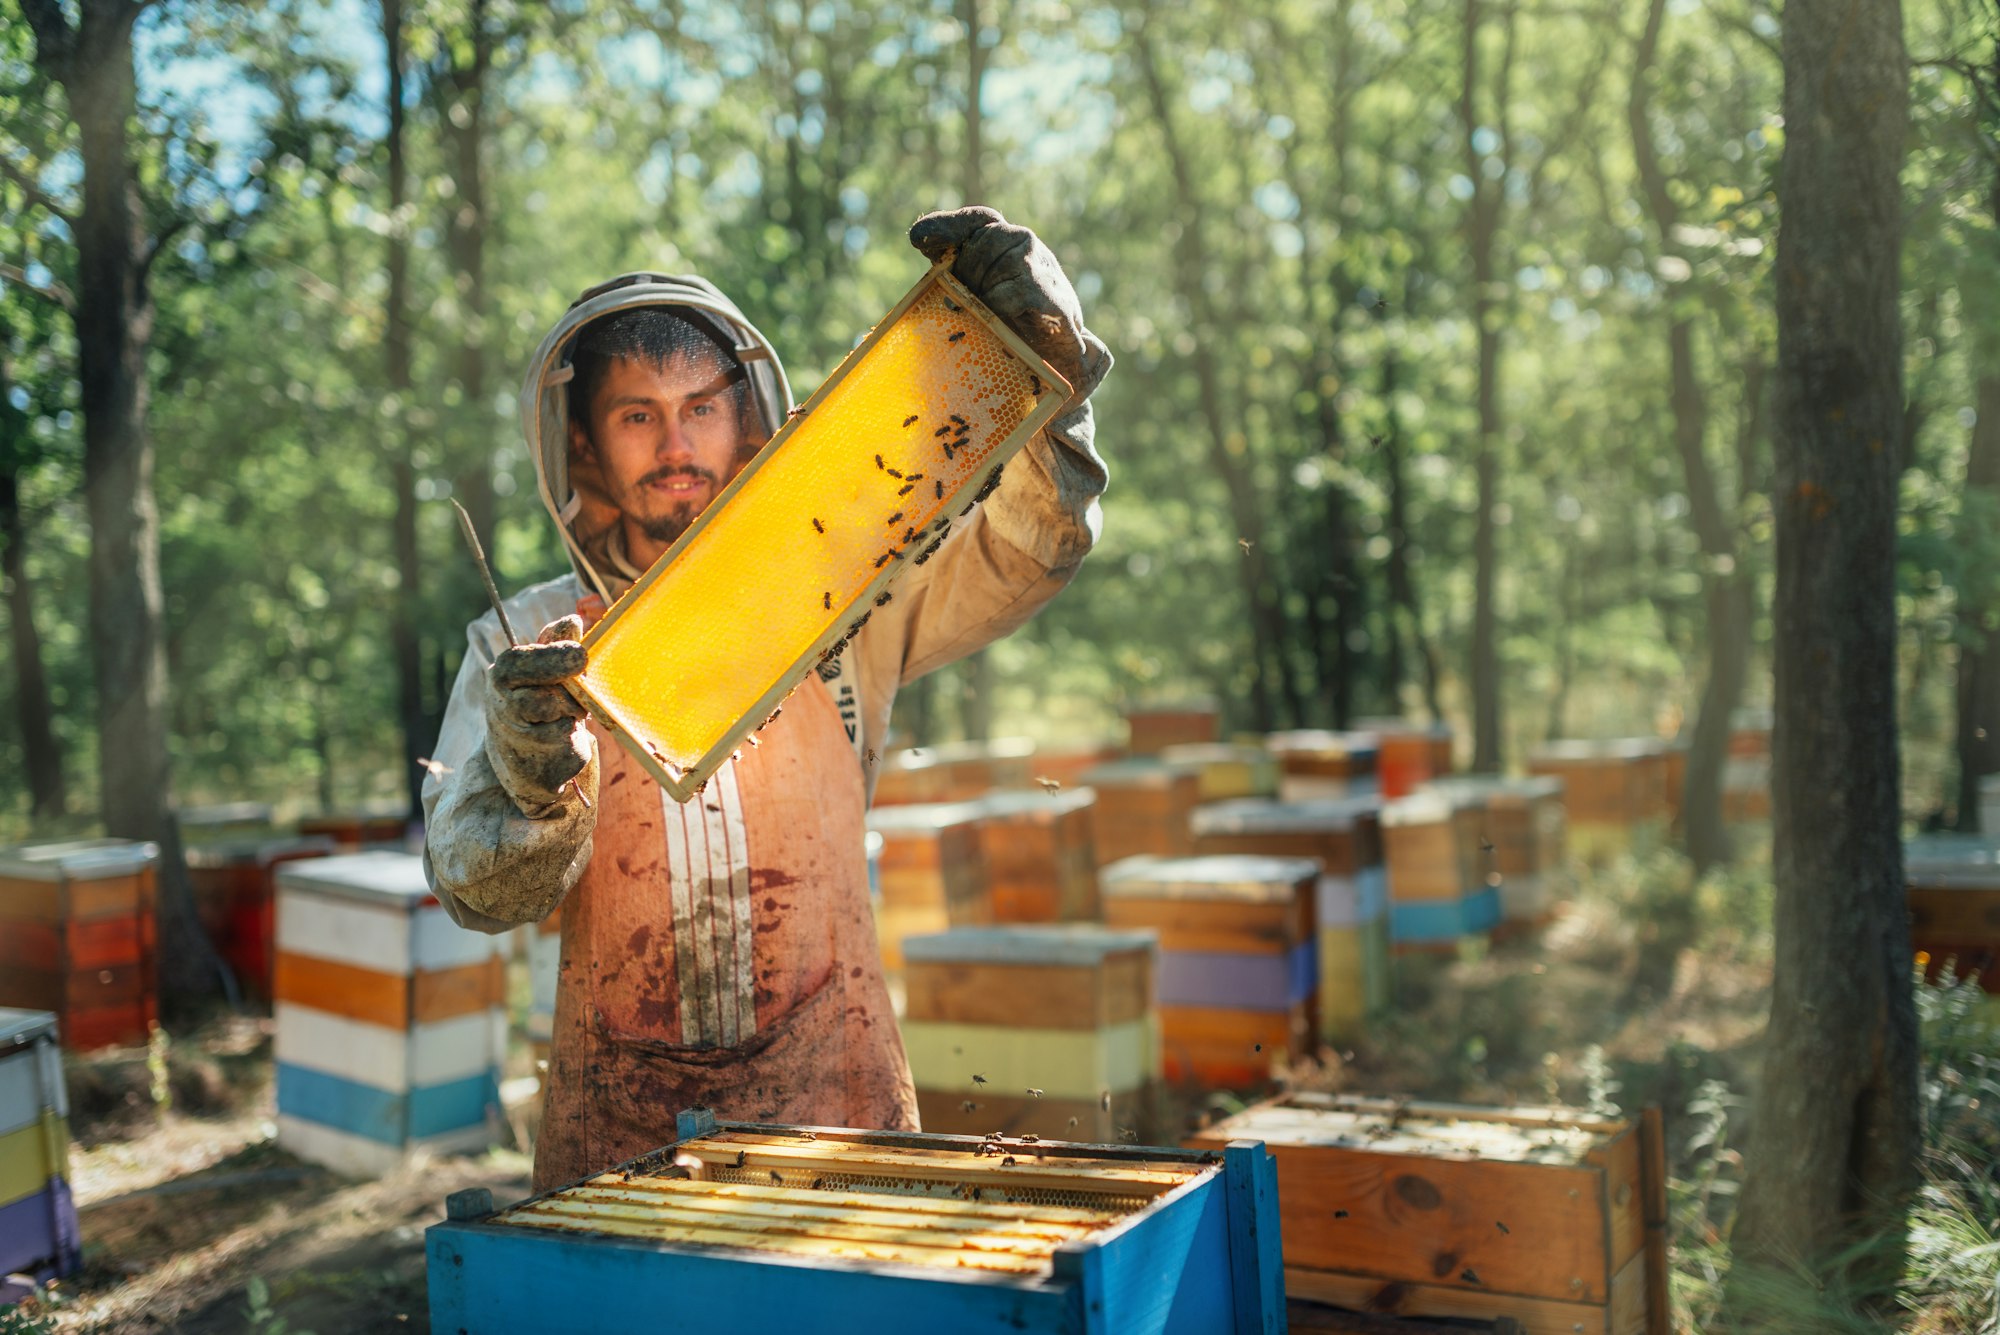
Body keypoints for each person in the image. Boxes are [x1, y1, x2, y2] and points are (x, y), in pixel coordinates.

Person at [420, 207, 1111, 1191]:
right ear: (580, 447)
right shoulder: (522, 642)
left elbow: (1027, 544)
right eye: (637, 415)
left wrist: (1043, 375)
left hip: (835, 1093)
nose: (676, 442)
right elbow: (474, 887)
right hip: (614, 1116)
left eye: (701, 406)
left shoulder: (842, 589)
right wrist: (531, 786)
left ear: (746, 417)